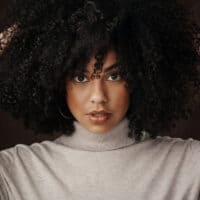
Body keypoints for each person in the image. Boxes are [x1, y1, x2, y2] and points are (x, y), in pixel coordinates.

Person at [0, 0, 200, 199]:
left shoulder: (190, 164)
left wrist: (175, 40)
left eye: (114, 76)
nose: (98, 97)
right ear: (57, 83)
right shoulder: (14, 170)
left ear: (140, 78)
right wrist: (24, 37)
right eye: (80, 78)